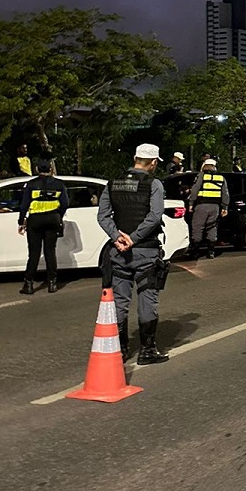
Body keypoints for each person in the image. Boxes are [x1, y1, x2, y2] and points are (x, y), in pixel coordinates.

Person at [97, 143, 169, 365]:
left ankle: (119, 350)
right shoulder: (153, 184)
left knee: (119, 301)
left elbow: (103, 216)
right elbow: (155, 216)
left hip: (118, 253)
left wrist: (118, 237)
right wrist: (134, 238)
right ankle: (147, 351)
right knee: (148, 299)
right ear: (153, 163)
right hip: (145, 251)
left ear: (135, 158)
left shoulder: (113, 183)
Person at [17, 159, 68, 294]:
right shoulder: (59, 184)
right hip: (53, 219)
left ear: (37, 169)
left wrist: (21, 221)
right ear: (51, 169)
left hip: (35, 220)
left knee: (34, 253)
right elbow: (65, 203)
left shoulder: (31, 184)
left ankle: (28, 284)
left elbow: (24, 205)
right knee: (50, 252)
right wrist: (58, 215)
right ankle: (52, 283)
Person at [188, 157, 230, 259]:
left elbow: (194, 190)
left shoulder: (201, 176)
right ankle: (210, 252)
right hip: (215, 207)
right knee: (212, 228)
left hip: (201, 206)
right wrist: (225, 207)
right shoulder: (221, 178)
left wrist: (191, 203)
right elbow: (225, 194)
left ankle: (195, 253)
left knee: (198, 228)